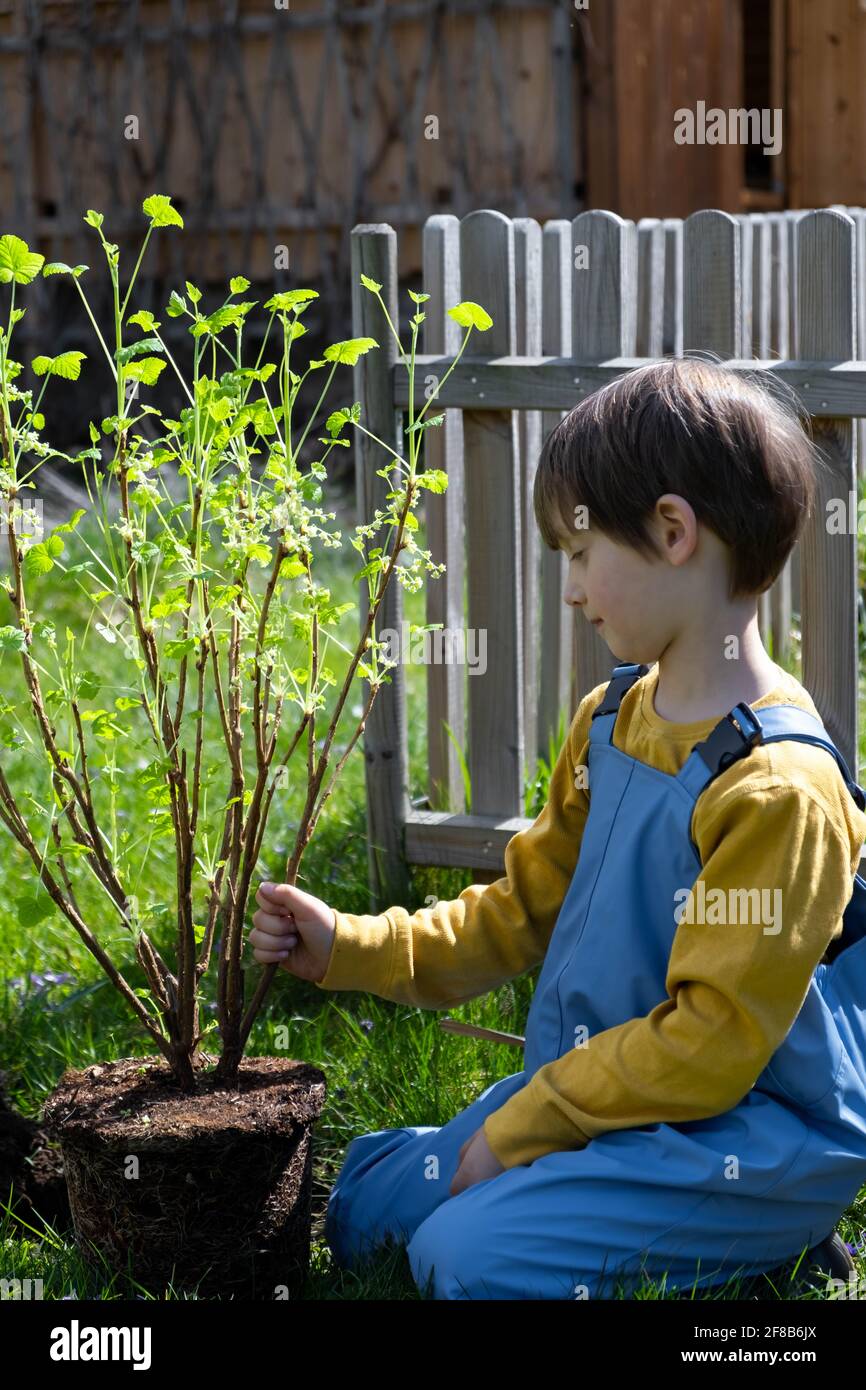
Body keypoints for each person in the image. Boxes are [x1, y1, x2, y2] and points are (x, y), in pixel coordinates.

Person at [248, 358, 866, 1300]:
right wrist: (355, 947)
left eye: (579, 556)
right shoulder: (613, 718)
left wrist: (516, 1128)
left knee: (461, 1259)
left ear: (671, 532)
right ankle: (588, 1201)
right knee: (362, 1208)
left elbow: (708, 1048)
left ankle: (769, 1238)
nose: (572, 591)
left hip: (748, 1129)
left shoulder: (778, 787)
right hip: (617, 1098)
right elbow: (521, 909)